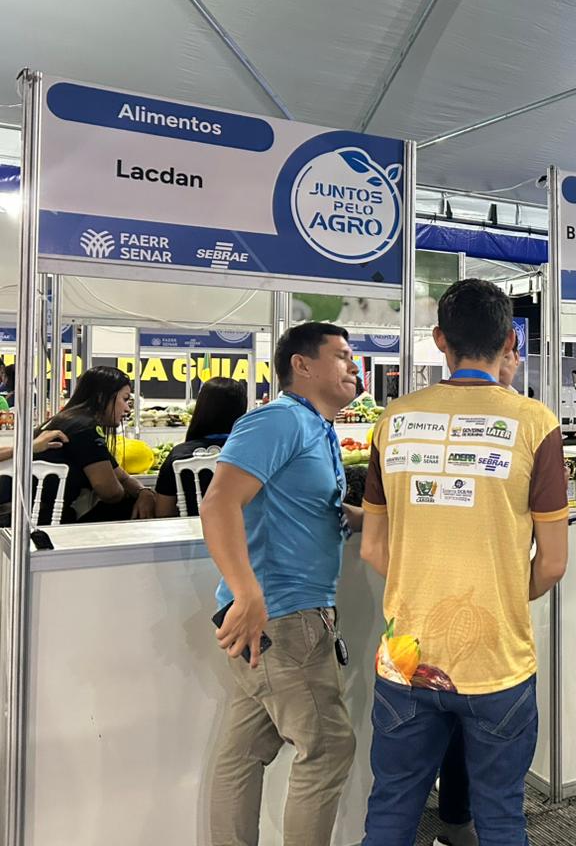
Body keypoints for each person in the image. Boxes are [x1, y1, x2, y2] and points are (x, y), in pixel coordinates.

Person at [359, 279, 568, 846]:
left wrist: (422, 587)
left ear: (439, 340)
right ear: (510, 341)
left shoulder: (394, 419)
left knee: (391, 808)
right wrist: (503, 591)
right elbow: (552, 563)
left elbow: (372, 548)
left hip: (405, 657)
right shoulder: (536, 424)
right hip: (498, 656)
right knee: (500, 816)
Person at [201, 322, 365, 846]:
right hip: (283, 617)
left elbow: (306, 507)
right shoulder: (278, 419)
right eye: (341, 356)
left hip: (287, 616)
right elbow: (219, 503)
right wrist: (247, 592)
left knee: (245, 751)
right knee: (329, 748)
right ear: (302, 364)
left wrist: (370, 519)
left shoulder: (316, 427)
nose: (354, 366)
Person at [32, 366, 156, 523]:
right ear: (101, 397)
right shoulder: (85, 428)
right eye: (125, 399)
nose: (127, 409)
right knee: (129, 506)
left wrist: (143, 492)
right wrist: (135, 496)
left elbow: (123, 477)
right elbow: (111, 493)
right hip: (45, 519)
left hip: (33, 514)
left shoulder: (66, 420)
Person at [153, 377, 248, 518]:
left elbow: (163, 512)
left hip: (191, 531)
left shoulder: (178, 456)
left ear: (200, 409)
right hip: (242, 530)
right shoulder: (251, 453)